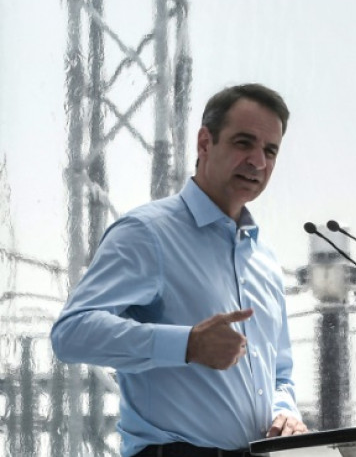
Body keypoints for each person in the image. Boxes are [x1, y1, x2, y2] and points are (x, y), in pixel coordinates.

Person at [51, 84, 308, 457]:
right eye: (243, 143)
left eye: (270, 151)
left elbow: (280, 373)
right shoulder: (147, 233)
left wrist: (285, 413)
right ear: (205, 143)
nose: (258, 161)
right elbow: (71, 334)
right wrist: (188, 344)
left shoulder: (264, 260)